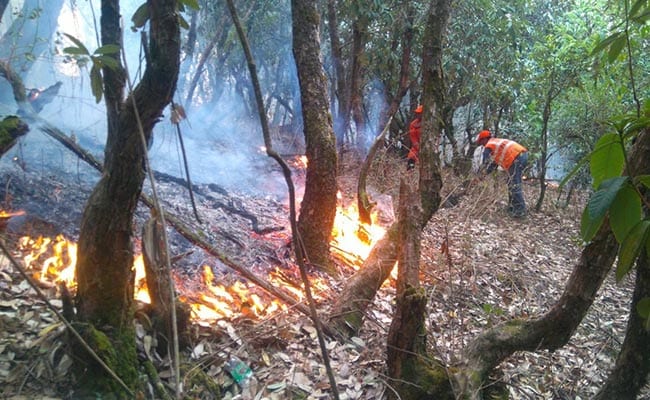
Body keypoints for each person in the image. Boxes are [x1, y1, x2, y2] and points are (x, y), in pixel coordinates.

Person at [476, 129, 528, 217]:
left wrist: (481, 174)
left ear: (484, 139)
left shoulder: (489, 145)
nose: (482, 145)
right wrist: (486, 172)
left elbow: (485, 163)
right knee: (511, 183)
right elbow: (494, 164)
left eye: (481, 143)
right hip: (521, 155)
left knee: (514, 184)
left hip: (516, 157)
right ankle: (513, 207)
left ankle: (520, 211)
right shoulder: (496, 144)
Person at [406, 105, 423, 170]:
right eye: (417, 113)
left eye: (419, 113)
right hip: (416, 146)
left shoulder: (430, 124)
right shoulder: (413, 124)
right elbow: (413, 138)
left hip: (428, 147)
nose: (418, 114)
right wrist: (418, 147)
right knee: (411, 157)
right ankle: (410, 173)